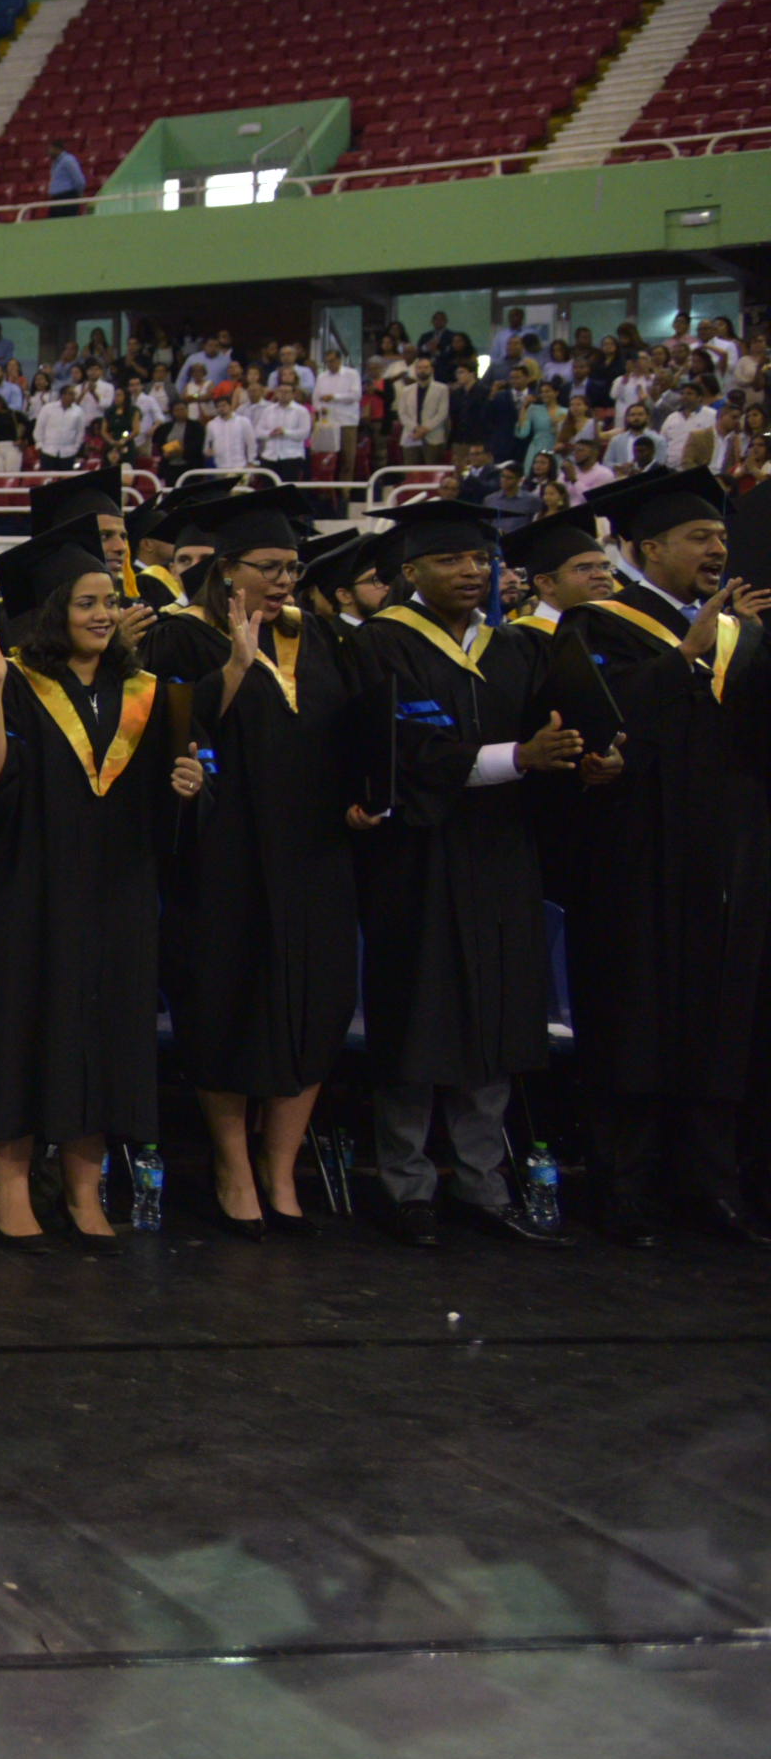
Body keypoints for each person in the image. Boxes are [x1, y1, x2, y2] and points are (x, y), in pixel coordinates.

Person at [0, 522, 200, 1247]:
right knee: (21, 1024)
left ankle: (85, 1186)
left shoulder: (143, 691)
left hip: (117, 893)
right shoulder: (14, 680)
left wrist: (188, 780)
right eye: (86, 602)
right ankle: (12, 1182)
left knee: (108, 1032)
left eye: (109, 600)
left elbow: (166, 797)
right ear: (54, 610)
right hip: (26, 891)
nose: (104, 614)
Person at [343, 498, 592, 1249]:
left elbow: (553, 738)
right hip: (415, 859)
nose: (469, 571)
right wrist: (516, 760)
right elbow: (394, 750)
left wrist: (585, 755)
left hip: (501, 856)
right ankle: (407, 1185)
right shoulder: (380, 645)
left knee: (496, 1023)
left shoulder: (515, 649)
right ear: (409, 570)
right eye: (450, 560)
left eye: (479, 560)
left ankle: (484, 1185)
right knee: (417, 1019)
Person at [550, 468, 771, 1246]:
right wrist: (687, 651)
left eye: (722, 536)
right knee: (634, 1020)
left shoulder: (749, 628)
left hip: (728, 857)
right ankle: (627, 1193)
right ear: (650, 546)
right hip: (633, 855)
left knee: (722, 1021)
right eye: (699, 538)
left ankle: (712, 1189)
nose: (717, 549)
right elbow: (599, 720)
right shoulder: (597, 624)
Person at [139, 486, 361, 1238]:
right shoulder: (181, 636)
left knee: (314, 1004)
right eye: (270, 567)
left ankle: (282, 1169)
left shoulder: (314, 635)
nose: (285, 581)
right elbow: (169, 735)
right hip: (223, 856)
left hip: (315, 852)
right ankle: (233, 1168)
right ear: (227, 569)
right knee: (228, 1006)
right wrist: (234, 667)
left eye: (294, 568)